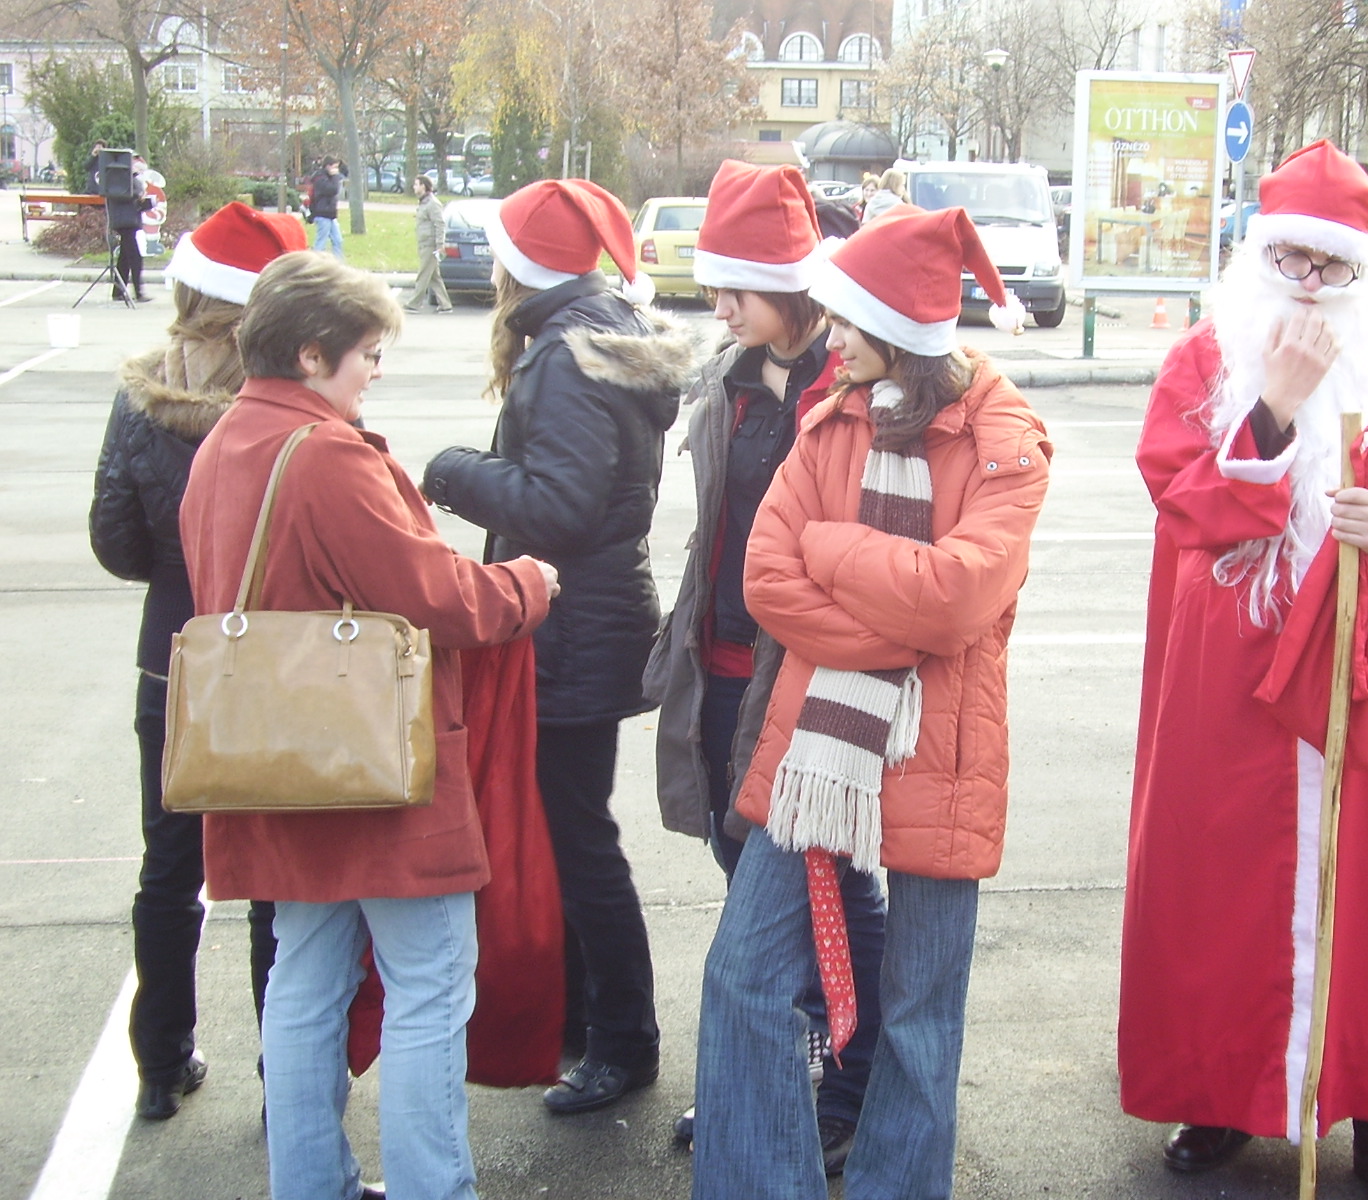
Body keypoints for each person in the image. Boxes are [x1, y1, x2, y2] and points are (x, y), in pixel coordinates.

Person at [1120, 140, 1368, 1200]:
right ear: (1260, 255)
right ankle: (1218, 1095)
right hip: (1231, 673)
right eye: (1293, 260)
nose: (1312, 284)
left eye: (1333, 266)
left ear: (1364, 270)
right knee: (1218, 885)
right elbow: (1181, 497)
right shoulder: (1206, 356)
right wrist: (1275, 403)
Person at [180, 250, 556, 1200]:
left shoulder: (227, 441)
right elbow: (435, 598)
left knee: (305, 976)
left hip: (278, 757)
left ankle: (310, 1182)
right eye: (369, 354)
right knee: (430, 981)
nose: (376, 372)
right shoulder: (324, 455)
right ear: (313, 355)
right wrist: (526, 585)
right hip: (372, 759)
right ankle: (434, 1187)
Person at [690, 206, 1049, 1200]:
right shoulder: (836, 413)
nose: (832, 337)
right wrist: (908, 621)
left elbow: (963, 596)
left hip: (943, 754)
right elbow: (768, 578)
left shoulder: (1005, 436)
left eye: (848, 320)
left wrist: (836, 549)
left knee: (922, 1015)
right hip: (814, 750)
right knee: (743, 978)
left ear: (897, 327)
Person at [421, 179, 697, 1114]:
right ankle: (586, 1020)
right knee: (567, 831)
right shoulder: (594, 335)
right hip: (585, 621)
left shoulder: (566, 356)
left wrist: (455, 471)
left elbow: (561, 509)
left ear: (518, 266)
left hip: (571, 628)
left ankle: (622, 1039)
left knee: (577, 841)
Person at [645, 160, 885, 1173]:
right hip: (720, 668)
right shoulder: (731, 380)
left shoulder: (850, 381)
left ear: (791, 284)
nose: (719, 308)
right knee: (743, 866)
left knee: (824, 888)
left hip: (807, 674)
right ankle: (772, 1073)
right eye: (713, 289)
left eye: (736, 289)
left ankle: (845, 1083)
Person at [90, 202, 306, 1120]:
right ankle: (282, 1075)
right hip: (269, 660)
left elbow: (114, 539)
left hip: (172, 657)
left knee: (169, 869)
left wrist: (180, 571)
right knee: (271, 881)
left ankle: (159, 1062)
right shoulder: (287, 407)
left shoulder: (141, 396)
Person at [105, 155, 154, 303]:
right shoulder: (123, 180)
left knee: (125, 258)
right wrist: (139, 196)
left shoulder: (127, 180)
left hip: (127, 220)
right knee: (134, 257)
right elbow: (126, 195)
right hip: (125, 221)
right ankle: (138, 292)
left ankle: (118, 291)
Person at [404, 175, 453, 314]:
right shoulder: (424, 203)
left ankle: (414, 304)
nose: (414, 187)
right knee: (434, 277)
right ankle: (445, 305)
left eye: (416, 184)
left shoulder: (433, 204)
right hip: (424, 244)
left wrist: (440, 245)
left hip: (430, 245)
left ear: (423, 186)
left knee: (423, 274)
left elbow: (440, 224)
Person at [308, 156, 344, 258]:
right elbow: (332, 190)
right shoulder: (320, 178)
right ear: (328, 166)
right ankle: (315, 261)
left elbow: (345, 171)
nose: (336, 170)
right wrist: (335, 177)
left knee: (338, 240)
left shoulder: (329, 177)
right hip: (322, 213)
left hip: (330, 214)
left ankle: (338, 263)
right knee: (321, 242)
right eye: (334, 167)